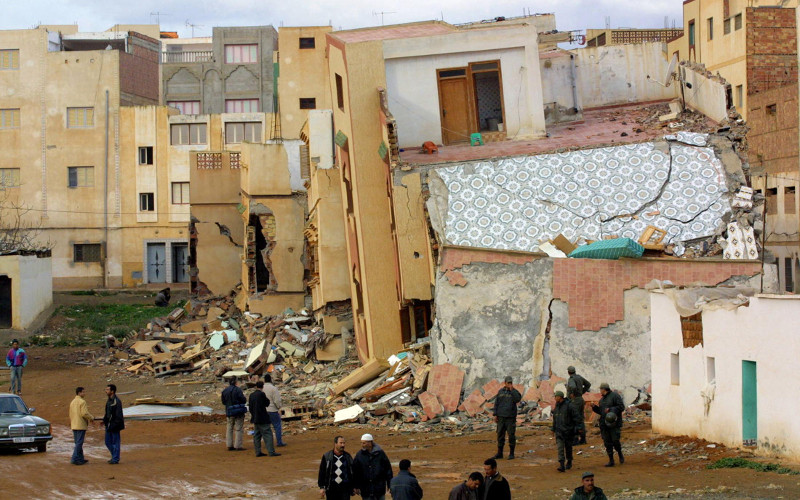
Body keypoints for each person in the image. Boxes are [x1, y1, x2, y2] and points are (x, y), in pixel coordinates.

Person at [591, 382, 625, 467]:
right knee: (607, 442)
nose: (600, 391)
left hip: (614, 423)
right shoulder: (602, 400)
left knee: (615, 440)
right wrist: (594, 407)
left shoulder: (615, 396)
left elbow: (621, 407)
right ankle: (611, 460)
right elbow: (601, 412)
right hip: (604, 424)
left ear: (604, 389)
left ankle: (620, 454)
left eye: (600, 389)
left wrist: (611, 409)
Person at [353, 433, 393, 500]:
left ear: (370, 443)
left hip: (379, 489)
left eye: (364, 443)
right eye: (362, 443)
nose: (362, 445)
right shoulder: (359, 455)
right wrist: (356, 486)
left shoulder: (380, 454)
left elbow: (388, 470)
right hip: (366, 490)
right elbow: (355, 472)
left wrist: (390, 485)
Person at [248, 380, 280, 457]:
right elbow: (267, 403)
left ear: (256, 386)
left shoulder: (251, 395)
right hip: (262, 417)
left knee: (257, 435)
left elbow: (250, 407)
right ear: (262, 386)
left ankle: (258, 451)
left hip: (255, 418)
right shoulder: (261, 394)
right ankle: (271, 451)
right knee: (268, 434)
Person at [493, 375, 522, 460]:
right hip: (501, 417)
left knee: (511, 435)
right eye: (508, 383)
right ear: (504, 383)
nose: (509, 384)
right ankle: (500, 453)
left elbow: (517, 399)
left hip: (510, 417)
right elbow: (496, 403)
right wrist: (495, 415)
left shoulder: (514, 392)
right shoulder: (501, 392)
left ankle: (511, 453)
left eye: (510, 383)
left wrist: (512, 390)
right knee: (500, 435)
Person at [318, 435, 355, 500]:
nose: (343, 445)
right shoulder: (327, 456)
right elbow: (322, 472)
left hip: (345, 489)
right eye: (341, 443)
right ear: (335, 444)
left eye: (344, 443)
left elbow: (353, 471)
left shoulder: (347, 456)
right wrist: (322, 487)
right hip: (331, 489)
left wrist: (354, 486)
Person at [552, 390, 580, 472]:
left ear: (560, 397)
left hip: (568, 431)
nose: (555, 398)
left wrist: (578, 429)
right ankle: (561, 464)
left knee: (568, 448)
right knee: (560, 448)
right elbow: (555, 419)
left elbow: (576, 417)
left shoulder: (569, 406)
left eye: (556, 396)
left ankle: (569, 461)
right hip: (559, 431)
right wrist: (553, 429)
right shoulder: (557, 407)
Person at [69, 386, 94, 465]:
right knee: (79, 443)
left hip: (74, 424)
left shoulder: (72, 402)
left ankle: (80, 458)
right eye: (83, 392)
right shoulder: (82, 402)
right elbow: (84, 413)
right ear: (79, 393)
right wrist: (91, 417)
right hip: (80, 424)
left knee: (77, 442)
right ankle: (74, 458)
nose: (84, 393)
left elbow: (70, 414)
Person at [221, 376, 247, 451]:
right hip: (238, 411)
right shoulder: (238, 390)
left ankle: (229, 445)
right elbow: (243, 400)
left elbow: (223, 402)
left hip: (229, 411)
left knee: (229, 428)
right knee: (238, 428)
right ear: (236, 382)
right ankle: (238, 445)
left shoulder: (225, 391)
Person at [567, 366, 591, 445]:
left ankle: (575, 439)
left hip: (574, 401)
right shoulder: (579, 377)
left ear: (568, 372)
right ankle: (583, 439)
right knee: (580, 419)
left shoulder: (571, 379)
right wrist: (581, 393)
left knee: (574, 419)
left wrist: (573, 394)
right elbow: (588, 384)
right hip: (580, 400)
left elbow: (573, 387)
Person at [103, 384, 124, 464]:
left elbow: (118, 415)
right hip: (109, 425)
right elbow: (107, 413)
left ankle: (115, 458)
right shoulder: (109, 400)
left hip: (114, 425)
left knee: (115, 442)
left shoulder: (116, 401)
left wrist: (114, 425)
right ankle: (115, 456)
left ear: (112, 391)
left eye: (108, 389)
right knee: (107, 442)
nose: (106, 391)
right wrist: (105, 421)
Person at [263, 373, 285, 447]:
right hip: (272, 410)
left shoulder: (262, 388)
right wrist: (279, 407)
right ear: (271, 380)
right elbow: (277, 400)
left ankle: (268, 443)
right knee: (277, 426)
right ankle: (279, 442)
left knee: (266, 428)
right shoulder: (273, 388)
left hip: (264, 411)